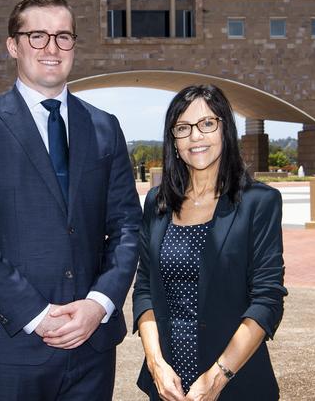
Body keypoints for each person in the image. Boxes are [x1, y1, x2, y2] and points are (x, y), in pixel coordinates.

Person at [0, 0, 142, 400]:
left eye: (63, 37)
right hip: (10, 347)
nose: (51, 48)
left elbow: (126, 226)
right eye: (37, 36)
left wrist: (99, 304)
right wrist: (36, 315)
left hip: (91, 347)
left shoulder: (105, 127)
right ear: (13, 46)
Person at [132, 85, 287, 401]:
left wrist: (217, 378)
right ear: (173, 140)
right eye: (183, 128)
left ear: (225, 130)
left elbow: (267, 300)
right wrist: (155, 363)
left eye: (207, 124)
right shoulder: (157, 203)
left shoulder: (260, 202)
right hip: (167, 385)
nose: (195, 137)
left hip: (234, 381)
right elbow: (144, 289)